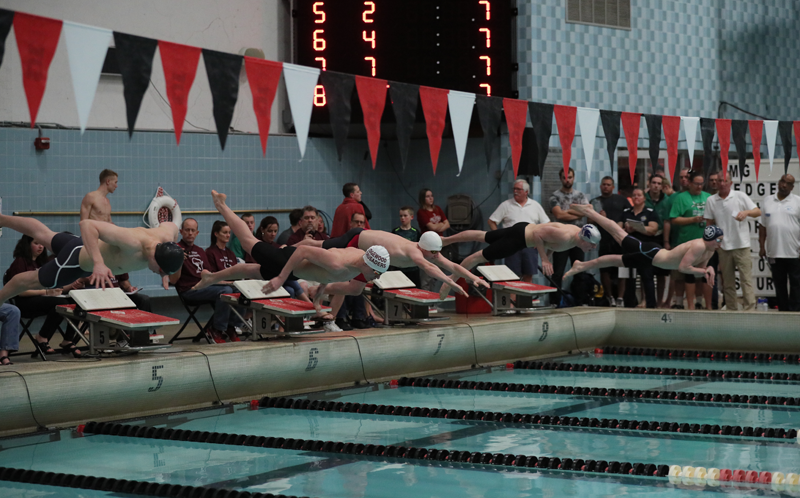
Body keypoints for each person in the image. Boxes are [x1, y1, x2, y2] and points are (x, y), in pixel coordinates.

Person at [193, 191, 391, 317]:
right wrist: (281, 278)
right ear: (368, 263)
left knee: (251, 270)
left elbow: (328, 276)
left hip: (295, 271)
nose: (376, 277)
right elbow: (303, 250)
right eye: (376, 272)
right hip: (287, 260)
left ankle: (211, 277)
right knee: (248, 242)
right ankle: (221, 205)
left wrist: (318, 299)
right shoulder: (338, 262)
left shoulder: (357, 263)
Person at [0, 213, 182, 303]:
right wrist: (99, 263)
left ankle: (2, 219)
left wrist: (168, 268)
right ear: (157, 259)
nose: (158, 273)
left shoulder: (167, 235)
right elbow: (87, 224)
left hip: (80, 245)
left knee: (43, 233)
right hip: (75, 262)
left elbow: (173, 226)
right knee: (29, 281)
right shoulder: (133, 242)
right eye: (160, 270)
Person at [564, 204, 721, 283]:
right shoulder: (699, 246)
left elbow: (697, 271)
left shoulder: (709, 250)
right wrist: (705, 271)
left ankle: (581, 266)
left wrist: (708, 270)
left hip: (651, 259)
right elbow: (683, 268)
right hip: (650, 253)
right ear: (711, 239)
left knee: (616, 260)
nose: (720, 243)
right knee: (618, 233)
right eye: (719, 239)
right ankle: (589, 211)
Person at [4, 235, 84, 358]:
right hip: (24, 303)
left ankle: (68, 340)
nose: (40, 246)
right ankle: (42, 337)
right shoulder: (20, 262)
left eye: (42, 243)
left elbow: (55, 287)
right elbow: (20, 292)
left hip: (42, 299)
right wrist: (46, 292)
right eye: (36, 243)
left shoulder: (42, 263)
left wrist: (72, 285)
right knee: (59, 305)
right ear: (27, 245)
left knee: (76, 302)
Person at [169, 218, 244, 343]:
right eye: (187, 230)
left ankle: (231, 326)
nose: (190, 233)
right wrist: (178, 261)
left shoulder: (200, 251)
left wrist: (230, 283)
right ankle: (216, 329)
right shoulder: (176, 249)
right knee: (225, 291)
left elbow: (209, 276)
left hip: (205, 286)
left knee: (241, 290)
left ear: (197, 233)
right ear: (181, 232)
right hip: (189, 290)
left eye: (193, 230)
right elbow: (173, 280)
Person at [704, 176, 760, 311]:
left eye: (725, 181)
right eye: (720, 181)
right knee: (728, 282)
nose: (722, 183)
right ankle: (731, 310)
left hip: (742, 245)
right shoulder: (711, 200)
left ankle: (750, 310)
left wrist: (746, 212)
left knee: (746, 280)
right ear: (716, 183)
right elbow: (709, 224)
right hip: (723, 247)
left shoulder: (740, 196)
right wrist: (711, 243)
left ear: (731, 183)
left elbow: (757, 211)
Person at [488, 179, 550, 284]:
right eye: (514, 189)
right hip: (512, 244)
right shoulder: (506, 205)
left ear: (526, 192)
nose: (515, 191)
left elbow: (547, 223)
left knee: (528, 274)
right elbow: (491, 221)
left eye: (518, 189)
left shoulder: (535, 205)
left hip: (530, 244)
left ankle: (526, 294)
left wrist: (540, 241)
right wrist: (499, 237)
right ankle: (513, 295)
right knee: (512, 275)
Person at [668, 171, 711, 310]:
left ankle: (700, 302)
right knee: (683, 275)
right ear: (690, 183)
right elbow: (674, 219)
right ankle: (682, 303)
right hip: (686, 242)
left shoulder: (708, 197)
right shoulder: (681, 198)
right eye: (696, 184)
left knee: (702, 274)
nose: (699, 187)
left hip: (705, 244)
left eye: (701, 184)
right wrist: (692, 220)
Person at [548, 167, 591, 304]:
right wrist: (578, 213)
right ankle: (555, 302)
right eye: (565, 177)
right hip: (560, 238)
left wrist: (567, 212)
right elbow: (559, 215)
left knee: (579, 270)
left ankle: (580, 301)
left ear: (574, 178)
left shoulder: (580, 195)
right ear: (561, 179)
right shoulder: (554, 196)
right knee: (557, 272)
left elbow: (588, 212)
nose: (567, 180)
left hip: (579, 238)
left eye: (570, 177)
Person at [759, 174, 800, 311]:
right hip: (774, 252)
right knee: (779, 284)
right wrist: (762, 247)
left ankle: (795, 313)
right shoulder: (767, 201)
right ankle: (783, 312)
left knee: (796, 284)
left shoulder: (798, 202)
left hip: (794, 252)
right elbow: (762, 226)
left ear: (792, 187)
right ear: (778, 182)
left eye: (788, 183)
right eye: (782, 181)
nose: (784, 185)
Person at [619, 189, 661, 308]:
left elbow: (653, 229)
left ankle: (650, 304)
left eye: (639, 195)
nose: (636, 197)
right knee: (628, 277)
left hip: (645, 249)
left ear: (644, 198)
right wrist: (626, 229)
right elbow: (618, 228)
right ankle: (629, 303)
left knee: (647, 277)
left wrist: (636, 228)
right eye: (634, 195)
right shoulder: (626, 212)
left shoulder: (650, 212)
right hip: (629, 249)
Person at [592, 176, 629, 307]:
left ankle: (620, 298)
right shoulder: (595, 202)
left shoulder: (622, 200)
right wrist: (598, 218)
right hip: (604, 240)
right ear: (600, 186)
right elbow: (589, 221)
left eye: (608, 185)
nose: (606, 187)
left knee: (622, 269)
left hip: (620, 241)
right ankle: (610, 297)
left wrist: (625, 226)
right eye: (604, 184)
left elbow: (630, 216)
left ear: (613, 187)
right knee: (604, 269)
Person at [645, 174, 671, 307]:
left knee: (661, 272)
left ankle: (660, 301)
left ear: (662, 186)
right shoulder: (643, 198)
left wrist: (666, 242)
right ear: (649, 184)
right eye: (654, 183)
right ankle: (645, 300)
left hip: (661, 237)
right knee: (645, 271)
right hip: (645, 236)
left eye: (659, 183)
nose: (656, 186)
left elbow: (667, 221)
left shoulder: (667, 200)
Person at [417, 188, 450, 291]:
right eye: (428, 196)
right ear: (423, 199)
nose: (431, 198)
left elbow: (447, 224)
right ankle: (426, 298)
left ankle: (433, 298)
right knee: (426, 276)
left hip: (439, 245)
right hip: (428, 246)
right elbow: (432, 227)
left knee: (436, 275)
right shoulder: (421, 212)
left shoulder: (437, 209)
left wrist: (437, 226)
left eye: (431, 196)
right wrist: (441, 225)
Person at [391, 206, 421, 286]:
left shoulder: (415, 232)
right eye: (401, 216)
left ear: (411, 217)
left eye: (405, 216)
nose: (402, 218)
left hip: (413, 267)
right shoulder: (396, 231)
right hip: (399, 267)